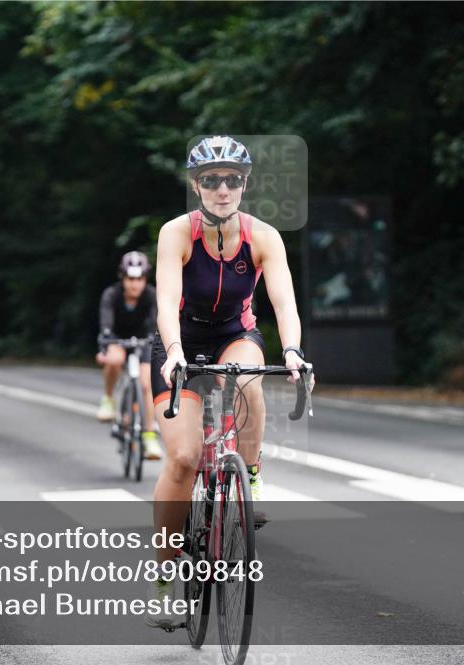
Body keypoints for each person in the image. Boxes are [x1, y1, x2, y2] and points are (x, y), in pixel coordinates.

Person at [145, 135, 314, 628]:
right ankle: (162, 580)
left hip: (234, 334)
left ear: (245, 184)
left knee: (250, 383)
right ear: (197, 185)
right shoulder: (177, 233)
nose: (223, 188)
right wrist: (174, 353)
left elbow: (284, 302)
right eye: (212, 179)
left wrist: (293, 352)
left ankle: (252, 477)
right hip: (178, 341)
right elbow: (165, 301)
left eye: (233, 179)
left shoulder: (263, 236)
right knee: (181, 457)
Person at [96, 251, 163, 460]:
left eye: (140, 279)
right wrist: (106, 344)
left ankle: (149, 435)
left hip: (144, 340)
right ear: (123, 278)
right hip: (117, 339)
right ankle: (108, 399)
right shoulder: (111, 295)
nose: (135, 284)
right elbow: (106, 324)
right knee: (114, 360)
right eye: (131, 279)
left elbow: (155, 324)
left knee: (146, 383)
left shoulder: (151, 295)